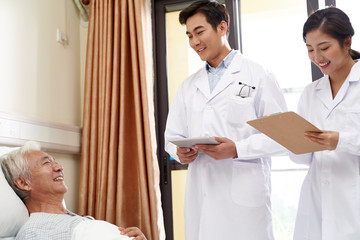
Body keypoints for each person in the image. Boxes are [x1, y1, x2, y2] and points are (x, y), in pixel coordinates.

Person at [164, 0, 287, 239]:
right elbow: (172, 137)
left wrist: (237, 149)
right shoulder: (189, 86)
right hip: (202, 194)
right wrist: (179, 152)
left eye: (200, 32)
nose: (194, 42)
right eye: (189, 35)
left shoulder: (258, 74)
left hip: (243, 201)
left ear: (222, 27)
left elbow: (282, 138)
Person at [289, 7, 360, 240]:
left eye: (324, 48)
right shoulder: (311, 93)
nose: (317, 57)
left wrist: (341, 141)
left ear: (347, 42)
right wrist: (294, 141)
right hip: (318, 203)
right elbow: (301, 158)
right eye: (310, 49)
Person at [0, 141, 147, 240]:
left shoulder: (73, 221)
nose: (59, 167)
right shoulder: (36, 232)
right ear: (23, 183)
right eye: (46, 163)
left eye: (55, 161)